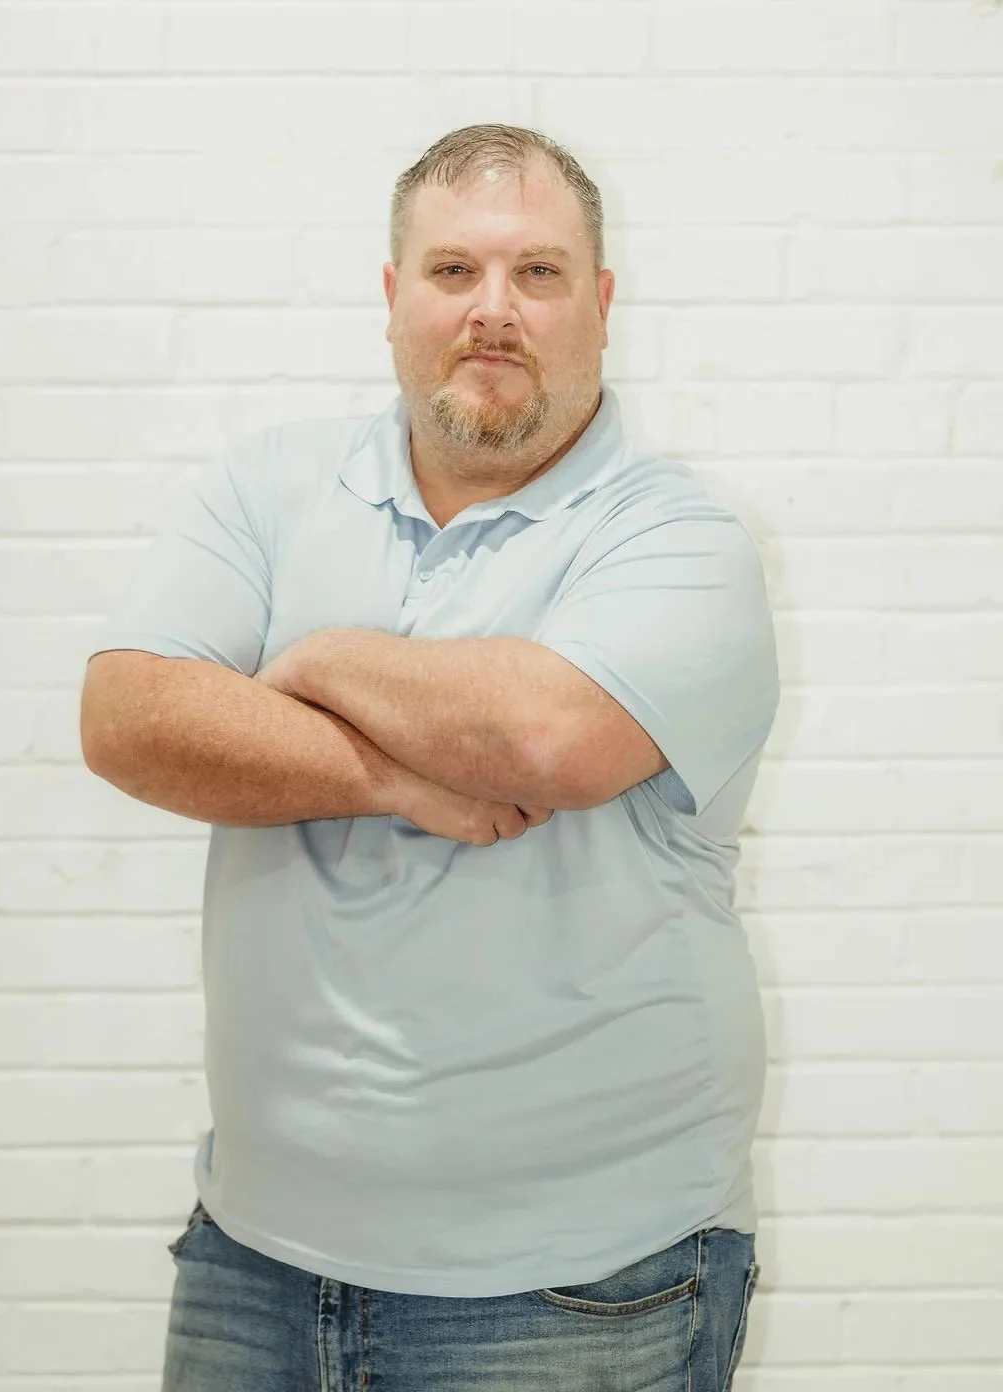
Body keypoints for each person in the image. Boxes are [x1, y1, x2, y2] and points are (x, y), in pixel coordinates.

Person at [81, 123, 779, 1392]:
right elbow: (128, 718)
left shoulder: (682, 538)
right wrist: (396, 774)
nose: (493, 311)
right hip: (254, 1259)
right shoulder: (266, 485)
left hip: (577, 1286)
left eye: (540, 274)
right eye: (453, 272)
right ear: (392, 297)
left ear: (602, 306)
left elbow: (547, 735)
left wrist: (312, 659)